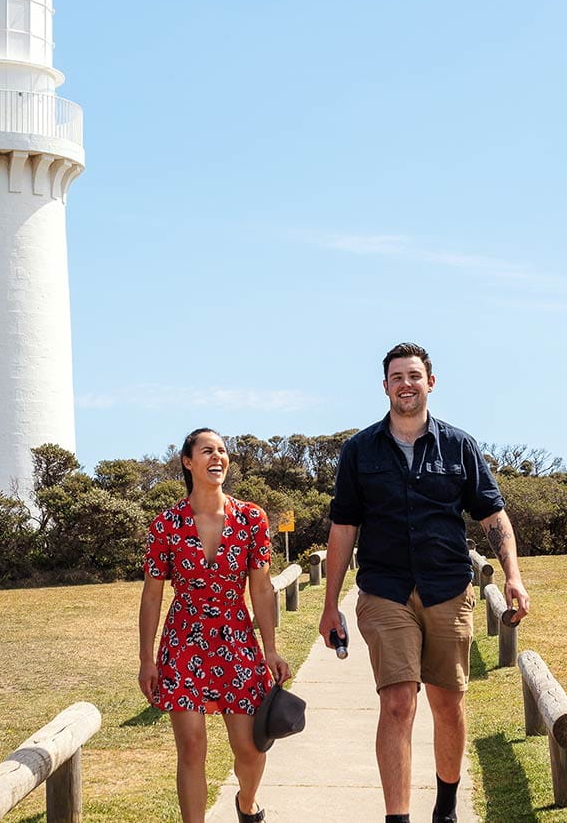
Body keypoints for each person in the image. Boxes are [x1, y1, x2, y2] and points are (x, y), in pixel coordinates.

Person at [318, 342, 529, 823]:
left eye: (414, 376)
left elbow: (492, 515)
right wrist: (331, 605)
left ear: (430, 382)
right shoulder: (359, 451)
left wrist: (513, 576)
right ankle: (398, 818)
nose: (406, 384)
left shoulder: (459, 446)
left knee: (448, 703)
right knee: (397, 703)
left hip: (447, 588)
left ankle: (447, 806)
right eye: (397, 377)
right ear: (385, 386)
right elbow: (344, 528)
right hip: (385, 591)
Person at [140, 427, 294, 823]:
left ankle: (246, 804)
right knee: (191, 748)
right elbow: (153, 595)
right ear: (188, 462)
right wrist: (146, 659)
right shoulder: (166, 524)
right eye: (207, 450)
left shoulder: (251, 519)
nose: (217, 457)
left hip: (236, 639)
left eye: (222, 451)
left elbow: (260, 590)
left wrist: (270, 649)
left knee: (250, 749)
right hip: (184, 641)